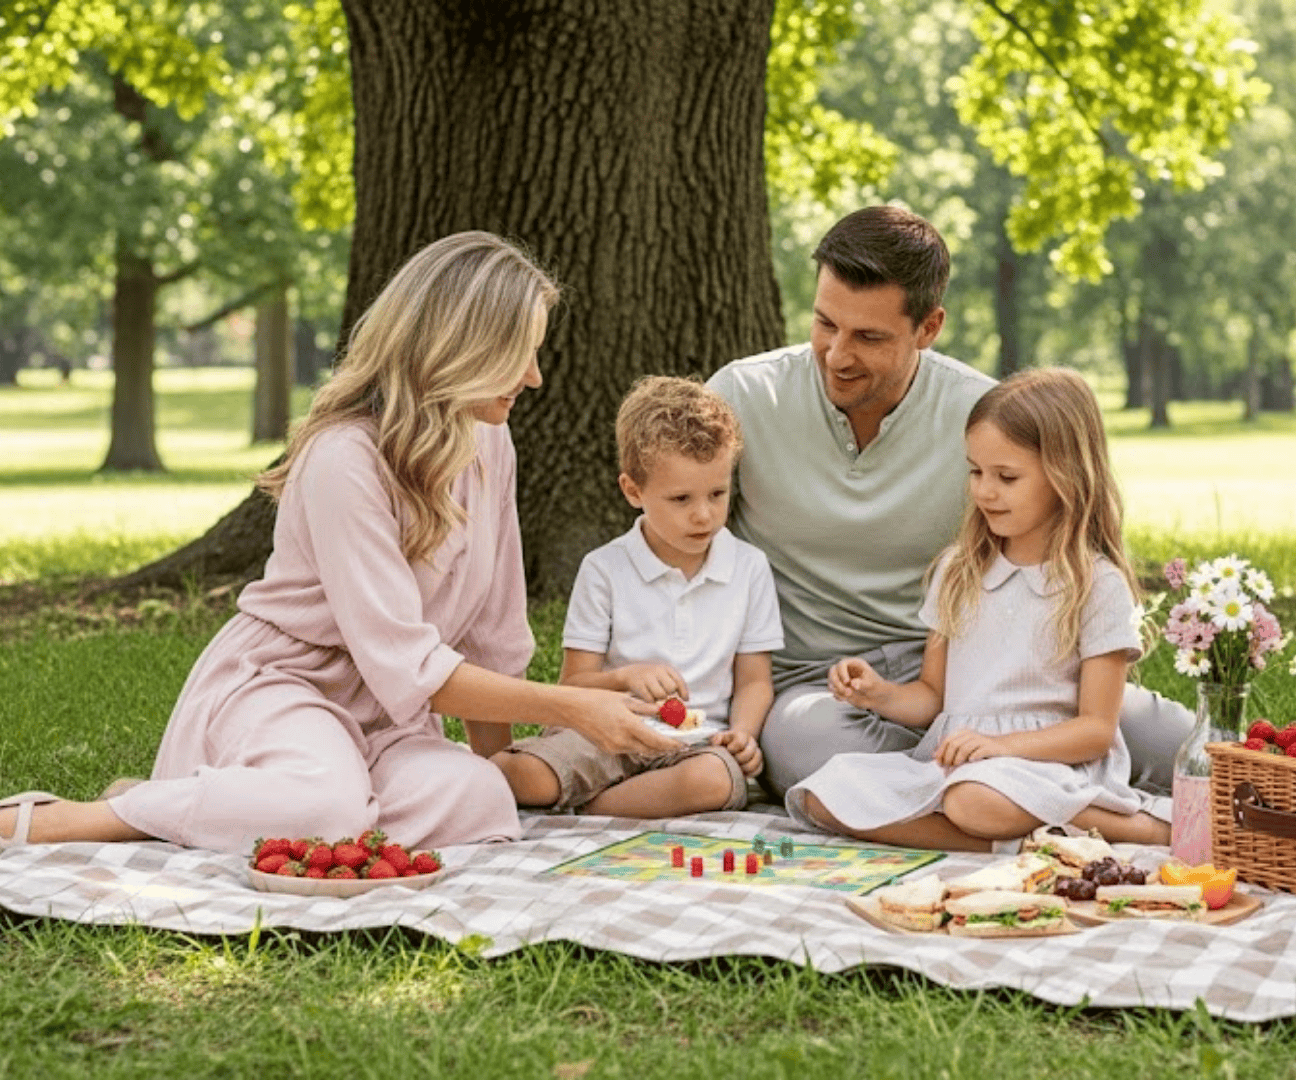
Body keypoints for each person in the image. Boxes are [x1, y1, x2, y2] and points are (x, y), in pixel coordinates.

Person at [0, 231, 680, 871]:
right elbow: (411, 664)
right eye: (521, 354)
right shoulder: (343, 457)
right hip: (283, 687)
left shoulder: (490, 440)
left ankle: (221, 805)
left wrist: (497, 770)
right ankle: (66, 818)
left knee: (479, 800)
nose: (535, 377)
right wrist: (579, 709)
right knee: (324, 809)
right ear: (463, 348)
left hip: (387, 720)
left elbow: (492, 629)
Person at [705, 205, 1192, 804]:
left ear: (928, 328)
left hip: (985, 670)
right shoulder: (743, 396)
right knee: (810, 746)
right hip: (820, 683)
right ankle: (1017, 785)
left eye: (869, 336)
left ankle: (979, 780)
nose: (836, 354)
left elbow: (1060, 555)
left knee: (1177, 742)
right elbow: (676, 541)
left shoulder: (983, 413)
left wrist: (1033, 717)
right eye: (826, 323)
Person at [785, 369, 1170, 851]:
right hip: (959, 766)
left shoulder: (1095, 585)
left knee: (974, 802)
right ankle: (1013, 842)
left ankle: (1144, 828)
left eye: (1006, 477)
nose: (984, 491)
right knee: (824, 793)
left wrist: (1001, 749)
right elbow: (931, 696)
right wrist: (877, 695)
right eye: (975, 471)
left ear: (1065, 475)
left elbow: (1095, 731)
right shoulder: (958, 570)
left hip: (1049, 769)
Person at [493, 376, 782, 817]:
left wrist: (742, 733)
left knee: (714, 780)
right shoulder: (604, 568)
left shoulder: (749, 567)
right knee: (519, 775)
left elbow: (755, 680)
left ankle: (591, 809)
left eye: (718, 494)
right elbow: (574, 684)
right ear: (633, 491)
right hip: (607, 731)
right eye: (681, 498)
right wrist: (626, 677)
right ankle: (618, 800)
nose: (704, 514)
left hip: (698, 743)